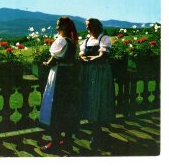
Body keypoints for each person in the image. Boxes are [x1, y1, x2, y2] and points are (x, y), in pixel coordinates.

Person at [38, 16, 80, 153]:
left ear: (63, 27)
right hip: (70, 77)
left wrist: (45, 64)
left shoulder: (61, 41)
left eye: (58, 25)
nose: (56, 28)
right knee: (67, 109)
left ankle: (54, 142)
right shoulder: (73, 42)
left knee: (55, 107)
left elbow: (53, 59)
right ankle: (67, 140)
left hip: (59, 76)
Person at [79, 18, 115, 149]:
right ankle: (95, 130)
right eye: (87, 26)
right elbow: (82, 54)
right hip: (88, 73)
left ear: (97, 26)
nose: (88, 28)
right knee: (89, 99)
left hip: (100, 73)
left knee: (98, 99)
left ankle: (97, 132)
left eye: (90, 26)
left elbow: (103, 56)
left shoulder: (104, 39)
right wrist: (84, 58)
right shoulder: (86, 40)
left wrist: (89, 59)